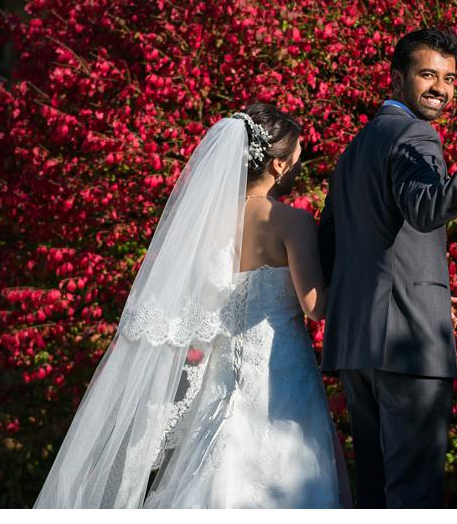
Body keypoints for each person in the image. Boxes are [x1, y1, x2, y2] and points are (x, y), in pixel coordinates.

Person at [36, 104, 346, 508]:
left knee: (213, 464)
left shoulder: (206, 222)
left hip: (220, 373)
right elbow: (314, 306)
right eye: (297, 155)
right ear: (277, 164)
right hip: (280, 368)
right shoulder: (292, 222)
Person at [318, 28, 457, 507]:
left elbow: (328, 239)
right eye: (428, 74)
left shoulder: (353, 150)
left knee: (373, 493)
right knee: (414, 495)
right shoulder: (416, 134)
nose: (441, 88)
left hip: (355, 346)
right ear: (396, 78)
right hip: (408, 341)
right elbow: (426, 208)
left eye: (450, 78)